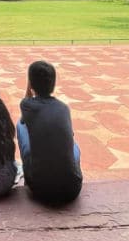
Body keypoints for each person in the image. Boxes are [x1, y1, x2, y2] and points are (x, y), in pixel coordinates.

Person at [16, 60, 82, 205]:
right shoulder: (64, 108)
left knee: (20, 126)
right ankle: (68, 169)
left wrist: (30, 86)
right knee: (73, 144)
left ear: (31, 84)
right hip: (73, 189)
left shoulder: (26, 105)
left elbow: (24, 119)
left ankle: (28, 175)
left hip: (40, 190)